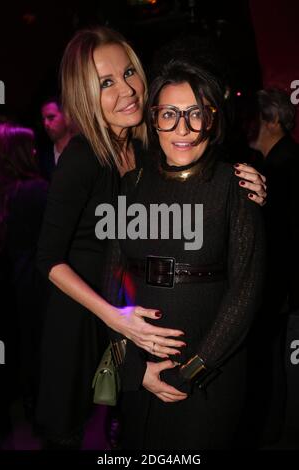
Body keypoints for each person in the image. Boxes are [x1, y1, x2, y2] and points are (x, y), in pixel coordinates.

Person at [36, 27, 267, 450]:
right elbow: (47, 259)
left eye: (128, 72)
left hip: (128, 319)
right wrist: (114, 319)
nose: (125, 89)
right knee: (73, 435)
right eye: (105, 82)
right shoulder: (83, 157)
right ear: (85, 94)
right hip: (83, 319)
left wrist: (249, 184)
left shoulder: (146, 152)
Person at [113, 59, 266, 450]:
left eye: (194, 114)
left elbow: (245, 294)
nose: (182, 129)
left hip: (209, 378)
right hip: (140, 369)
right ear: (153, 119)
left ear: (211, 120)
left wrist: (191, 371)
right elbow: (111, 278)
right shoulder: (133, 185)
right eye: (169, 114)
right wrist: (135, 367)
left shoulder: (236, 185)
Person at [243, 89, 299, 446]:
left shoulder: (286, 166)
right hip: (280, 291)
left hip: (284, 292)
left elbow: (283, 239)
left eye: (257, 117)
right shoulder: (272, 164)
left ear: (274, 121)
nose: (248, 125)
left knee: (277, 375)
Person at [0, 123, 48, 437]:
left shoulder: (10, 191)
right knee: (33, 346)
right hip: (30, 282)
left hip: (9, 280)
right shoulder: (37, 190)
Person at [39, 97, 73, 180]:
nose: (46, 124)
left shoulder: (84, 151)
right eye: (43, 120)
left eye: (51, 118)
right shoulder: (43, 158)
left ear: (66, 117)